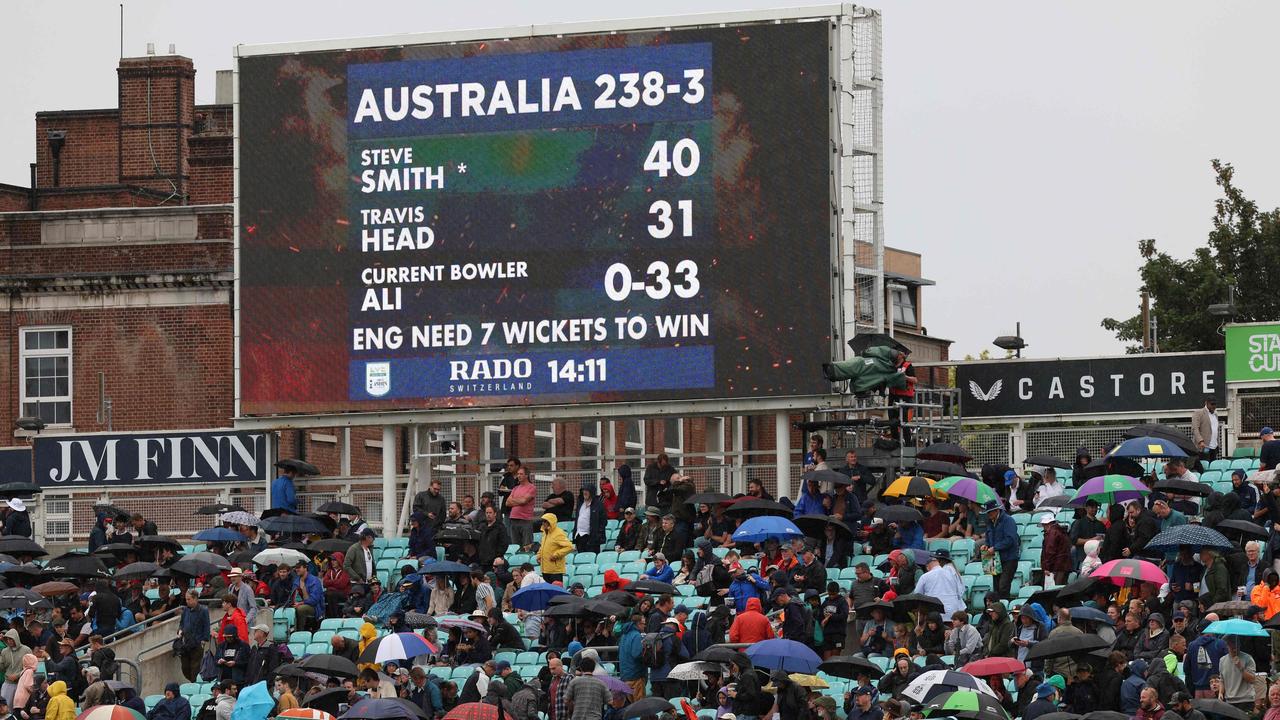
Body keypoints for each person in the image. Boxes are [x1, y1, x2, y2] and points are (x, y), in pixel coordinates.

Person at [980, 499, 1020, 599]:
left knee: (1003, 586)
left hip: (1009, 558)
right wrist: (987, 545)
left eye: (989, 512)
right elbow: (989, 537)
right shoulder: (990, 522)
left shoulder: (1008, 520)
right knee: (996, 588)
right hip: (995, 558)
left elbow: (1010, 539)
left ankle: (1004, 607)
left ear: (996, 510)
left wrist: (995, 548)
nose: (988, 514)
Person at [913, 550, 966, 617]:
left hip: (937, 611)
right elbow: (961, 591)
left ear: (939, 560)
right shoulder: (953, 572)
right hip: (953, 610)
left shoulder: (929, 575)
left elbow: (917, 593)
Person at [177, 590, 210, 682]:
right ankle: (192, 680)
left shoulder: (203, 610)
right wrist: (180, 630)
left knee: (195, 666)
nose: (187, 601)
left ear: (195, 599)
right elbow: (182, 623)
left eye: (189, 599)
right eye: (186, 599)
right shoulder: (185, 610)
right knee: (185, 667)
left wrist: (204, 639)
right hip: (186, 642)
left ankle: (193, 682)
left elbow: (206, 625)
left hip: (197, 642)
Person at [536, 513, 574, 584]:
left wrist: (556, 555)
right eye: (543, 521)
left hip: (555, 571)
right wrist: (539, 556)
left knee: (556, 592)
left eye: (545, 521)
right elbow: (542, 547)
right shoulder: (545, 533)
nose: (543, 523)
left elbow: (569, 547)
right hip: (545, 569)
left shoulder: (558, 533)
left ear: (551, 522)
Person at [507, 469, 538, 550]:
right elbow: (507, 503)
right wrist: (519, 500)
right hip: (513, 519)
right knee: (515, 546)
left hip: (525, 520)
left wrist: (514, 500)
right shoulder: (515, 488)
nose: (519, 476)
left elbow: (524, 501)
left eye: (521, 474)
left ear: (526, 475)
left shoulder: (532, 487)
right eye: (518, 474)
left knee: (527, 546)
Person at [572, 482, 606, 554]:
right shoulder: (580, 503)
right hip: (579, 537)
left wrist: (597, 536)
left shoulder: (598, 505)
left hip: (592, 538)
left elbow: (603, 522)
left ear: (592, 492)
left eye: (587, 490)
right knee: (581, 558)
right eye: (584, 490)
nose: (585, 492)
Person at [1040, 517, 1073, 585]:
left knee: (1055, 589)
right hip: (1063, 565)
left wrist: (1047, 567)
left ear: (1047, 524)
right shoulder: (1061, 532)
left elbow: (1050, 552)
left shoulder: (1052, 533)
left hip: (1056, 567)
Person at [1192, 396, 1220, 462]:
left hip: (1214, 447)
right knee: (1205, 467)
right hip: (1204, 447)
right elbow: (1195, 428)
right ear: (1206, 403)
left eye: (1215, 404)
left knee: (1213, 467)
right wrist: (1200, 441)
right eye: (1212, 404)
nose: (1214, 406)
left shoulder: (1215, 414)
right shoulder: (1198, 413)